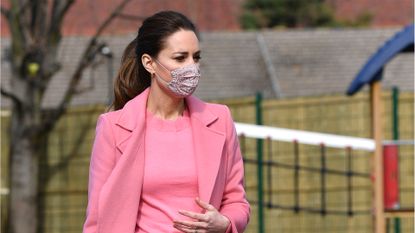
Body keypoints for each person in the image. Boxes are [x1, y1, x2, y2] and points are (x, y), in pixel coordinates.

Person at [83, 11, 250, 233]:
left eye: (196, 57)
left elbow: (237, 201)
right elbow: (97, 217)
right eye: (180, 58)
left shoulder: (220, 120)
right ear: (149, 63)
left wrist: (226, 223)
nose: (192, 67)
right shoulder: (113, 128)